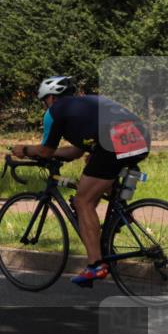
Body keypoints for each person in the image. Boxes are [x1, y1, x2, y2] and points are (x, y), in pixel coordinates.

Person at [13, 76, 150, 286]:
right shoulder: (86, 105)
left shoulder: (55, 112)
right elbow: (76, 152)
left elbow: (44, 151)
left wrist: (23, 150)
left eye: (44, 101)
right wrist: (56, 154)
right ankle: (116, 224)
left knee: (82, 201)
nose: (45, 105)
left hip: (111, 144)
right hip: (140, 137)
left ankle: (96, 265)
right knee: (94, 188)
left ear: (50, 98)